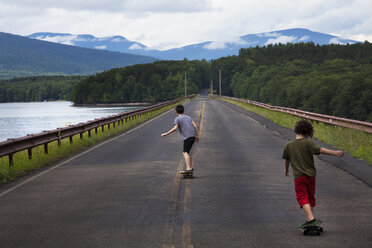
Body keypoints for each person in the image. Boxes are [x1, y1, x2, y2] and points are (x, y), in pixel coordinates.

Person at [282, 119, 344, 228]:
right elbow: (320, 150)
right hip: (311, 176)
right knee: (310, 197)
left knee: (302, 197)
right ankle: (309, 218)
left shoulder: (289, 145)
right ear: (308, 132)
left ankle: (310, 219)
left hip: (299, 177)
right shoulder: (309, 142)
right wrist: (335, 153)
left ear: (296, 130)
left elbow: (287, 159)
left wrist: (286, 170)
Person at [161, 104, 199, 171]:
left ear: (176, 111)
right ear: (183, 111)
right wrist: (197, 136)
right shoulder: (188, 117)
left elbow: (175, 128)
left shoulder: (177, 118)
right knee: (187, 152)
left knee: (185, 152)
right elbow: (195, 126)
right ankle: (190, 167)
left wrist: (166, 133)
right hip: (193, 136)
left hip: (187, 137)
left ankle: (188, 168)